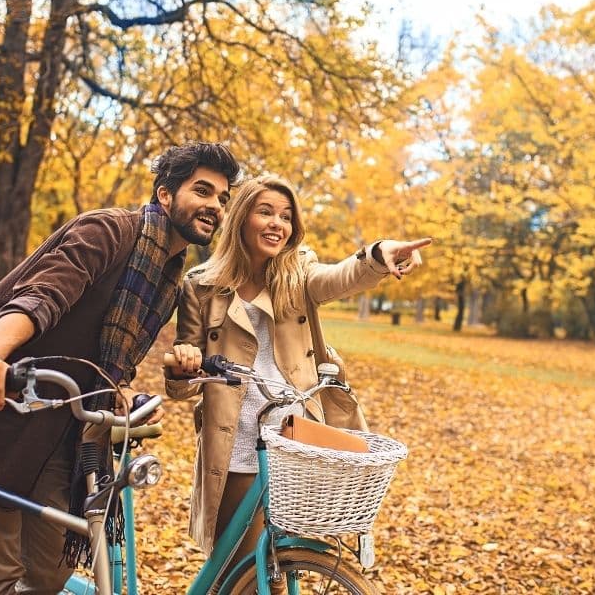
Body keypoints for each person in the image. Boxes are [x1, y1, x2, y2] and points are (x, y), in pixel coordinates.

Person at [0, 141, 240, 595]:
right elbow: (42, 296)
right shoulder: (108, 231)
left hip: (67, 431)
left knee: (49, 570)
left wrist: (125, 395)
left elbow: (117, 364)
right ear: (165, 195)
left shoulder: (167, 281)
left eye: (222, 199)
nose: (215, 205)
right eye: (203, 190)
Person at [163, 174, 431, 585]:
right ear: (241, 218)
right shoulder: (202, 286)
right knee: (236, 566)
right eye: (265, 211)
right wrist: (183, 364)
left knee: (284, 561)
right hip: (233, 438)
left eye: (286, 216)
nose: (277, 224)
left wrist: (378, 254)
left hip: (295, 435)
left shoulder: (298, 273)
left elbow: (341, 276)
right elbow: (183, 382)